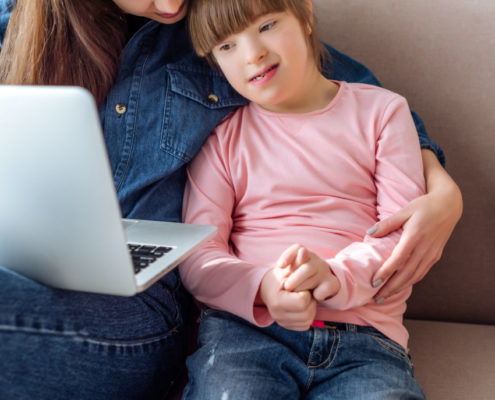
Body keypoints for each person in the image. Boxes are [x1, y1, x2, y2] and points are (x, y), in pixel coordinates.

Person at [0, 0, 461, 399]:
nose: (251, 53)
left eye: (262, 31)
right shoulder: (20, 28)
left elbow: (329, 86)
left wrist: (442, 187)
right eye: (227, 47)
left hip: (143, 306)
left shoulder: (214, 21)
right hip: (38, 271)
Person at [179, 0, 457, 398]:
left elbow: (401, 233)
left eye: (268, 25)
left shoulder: (383, 113)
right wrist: (264, 288)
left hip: (365, 341)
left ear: (306, 15)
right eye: (226, 46)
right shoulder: (221, 140)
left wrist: (333, 276)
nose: (252, 53)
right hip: (245, 336)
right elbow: (197, 255)